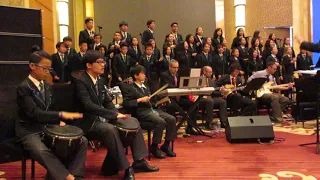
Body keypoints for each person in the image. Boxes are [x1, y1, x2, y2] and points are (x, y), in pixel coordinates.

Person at [74, 50, 159, 180]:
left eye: (103, 62)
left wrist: (116, 113)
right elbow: (88, 106)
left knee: (133, 123)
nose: (103, 65)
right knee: (111, 129)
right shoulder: (80, 80)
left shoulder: (100, 80)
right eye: (99, 62)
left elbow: (107, 101)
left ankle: (138, 161)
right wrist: (112, 115)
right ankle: (126, 167)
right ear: (88, 65)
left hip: (101, 118)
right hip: (86, 121)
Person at [17, 50, 87, 180]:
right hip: (29, 130)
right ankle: (68, 178)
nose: (48, 72)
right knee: (42, 151)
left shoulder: (48, 86)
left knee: (81, 141)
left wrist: (58, 121)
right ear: (32, 66)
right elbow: (35, 113)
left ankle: (76, 175)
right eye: (44, 68)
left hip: (47, 126)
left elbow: (51, 108)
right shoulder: (24, 87)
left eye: (49, 68)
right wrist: (60, 115)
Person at [123, 65, 177, 158]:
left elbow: (152, 102)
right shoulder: (130, 88)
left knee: (172, 119)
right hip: (141, 111)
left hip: (152, 110)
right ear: (136, 76)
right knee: (161, 122)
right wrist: (140, 100)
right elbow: (127, 103)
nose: (145, 75)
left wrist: (160, 101)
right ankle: (154, 147)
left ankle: (166, 145)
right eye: (142, 73)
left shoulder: (146, 87)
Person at [160, 60, 213, 134]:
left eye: (177, 67)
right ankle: (171, 130)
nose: (176, 69)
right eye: (174, 67)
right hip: (170, 99)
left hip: (181, 98)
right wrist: (178, 88)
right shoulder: (164, 75)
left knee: (194, 105)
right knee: (171, 106)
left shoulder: (179, 74)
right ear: (169, 67)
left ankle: (191, 128)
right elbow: (167, 86)